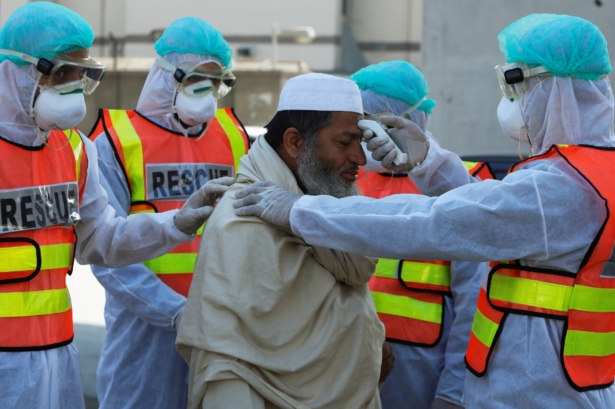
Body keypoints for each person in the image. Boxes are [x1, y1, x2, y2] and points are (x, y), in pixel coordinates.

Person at [234, 14, 615, 408]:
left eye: (517, 85)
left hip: (535, 391)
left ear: (555, 89)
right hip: (562, 385)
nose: (510, 101)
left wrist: (300, 211)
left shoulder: (557, 187)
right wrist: (430, 160)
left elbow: (436, 222)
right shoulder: (592, 173)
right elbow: (491, 214)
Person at [0, 4, 229, 409]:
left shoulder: (74, 150)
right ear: (14, 72)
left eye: (81, 73)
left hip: (57, 351)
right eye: (61, 73)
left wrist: (175, 223)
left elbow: (103, 240)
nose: (72, 85)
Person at [176, 73, 388, 409]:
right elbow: (230, 364)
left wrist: (367, 341)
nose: (360, 159)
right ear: (294, 142)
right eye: (345, 143)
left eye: (360, 143)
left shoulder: (317, 196)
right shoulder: (241, 220)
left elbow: (351, 279)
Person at [88, 17, 249, 409]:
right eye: (197, 79)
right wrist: (176, 313)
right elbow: (107, 255)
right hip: (145, 331)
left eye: (216, 82)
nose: (209, 92)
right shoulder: (117, 141)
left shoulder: (234, 137)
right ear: (166, 77)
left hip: (222, 328)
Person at [352, 61, 491, 409]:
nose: (363, 136)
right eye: (357, 123)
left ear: (408, 122)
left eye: (372, 122)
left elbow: (475, 303)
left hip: (424, 375)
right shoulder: (348, 184)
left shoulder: (461, 187)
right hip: (348, 365)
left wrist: (454, 390)